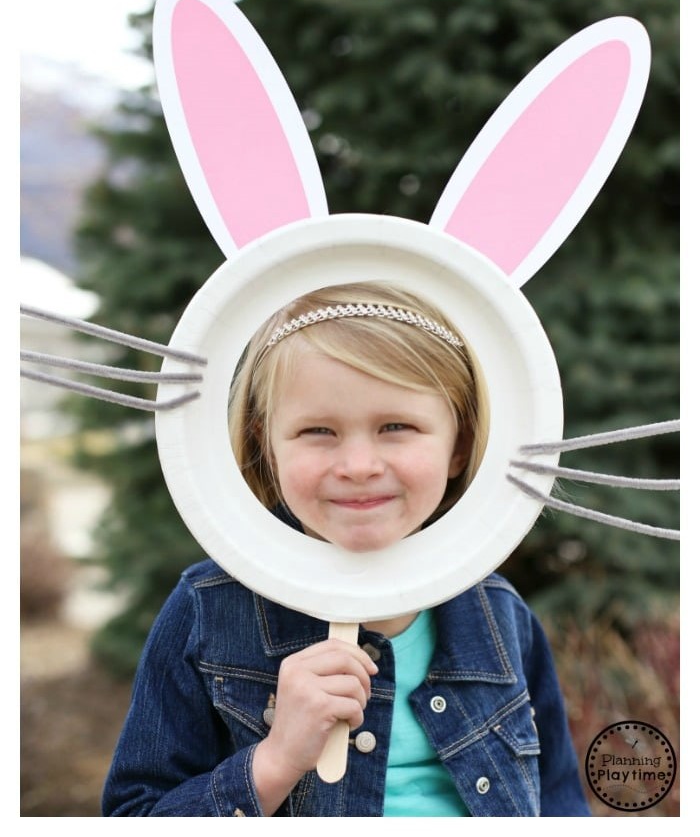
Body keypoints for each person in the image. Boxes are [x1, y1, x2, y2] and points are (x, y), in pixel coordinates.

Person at [102, 281, 590, 817]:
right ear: (267, 444)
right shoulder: (209, 611)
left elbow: (559, 801)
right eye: (318, 431)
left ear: (461, 444)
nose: (359, 465)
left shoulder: (500, 618)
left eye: (396, 426)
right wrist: (274, 761)